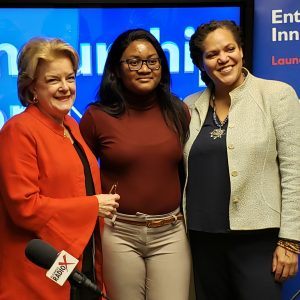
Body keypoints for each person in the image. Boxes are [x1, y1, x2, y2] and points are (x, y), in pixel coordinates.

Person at [182, 20, 300, 300]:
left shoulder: (277, 95)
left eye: (229, 48)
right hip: (202, 241)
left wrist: (291, 241)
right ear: (201, 64)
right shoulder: (189, 105)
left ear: (242, 51)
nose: (223, 58)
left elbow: (295, 171)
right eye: (211, 54)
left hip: (259, 242)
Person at [0, 37, 120, 300]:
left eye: (70, 78)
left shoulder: (70, 126)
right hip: (38, 266)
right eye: (53, 80)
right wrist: (92, 206)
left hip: (73, 260)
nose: (65, 88)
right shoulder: (18, 130)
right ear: (32, 88)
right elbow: (24, 207)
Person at [79, 29, 191, 300]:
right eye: (134, 62)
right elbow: (78, 173)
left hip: (171, 233)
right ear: (116, 69)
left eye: (153, 61)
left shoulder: (179, 111)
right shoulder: (96, 117)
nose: (145, 68)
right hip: (119, 234)